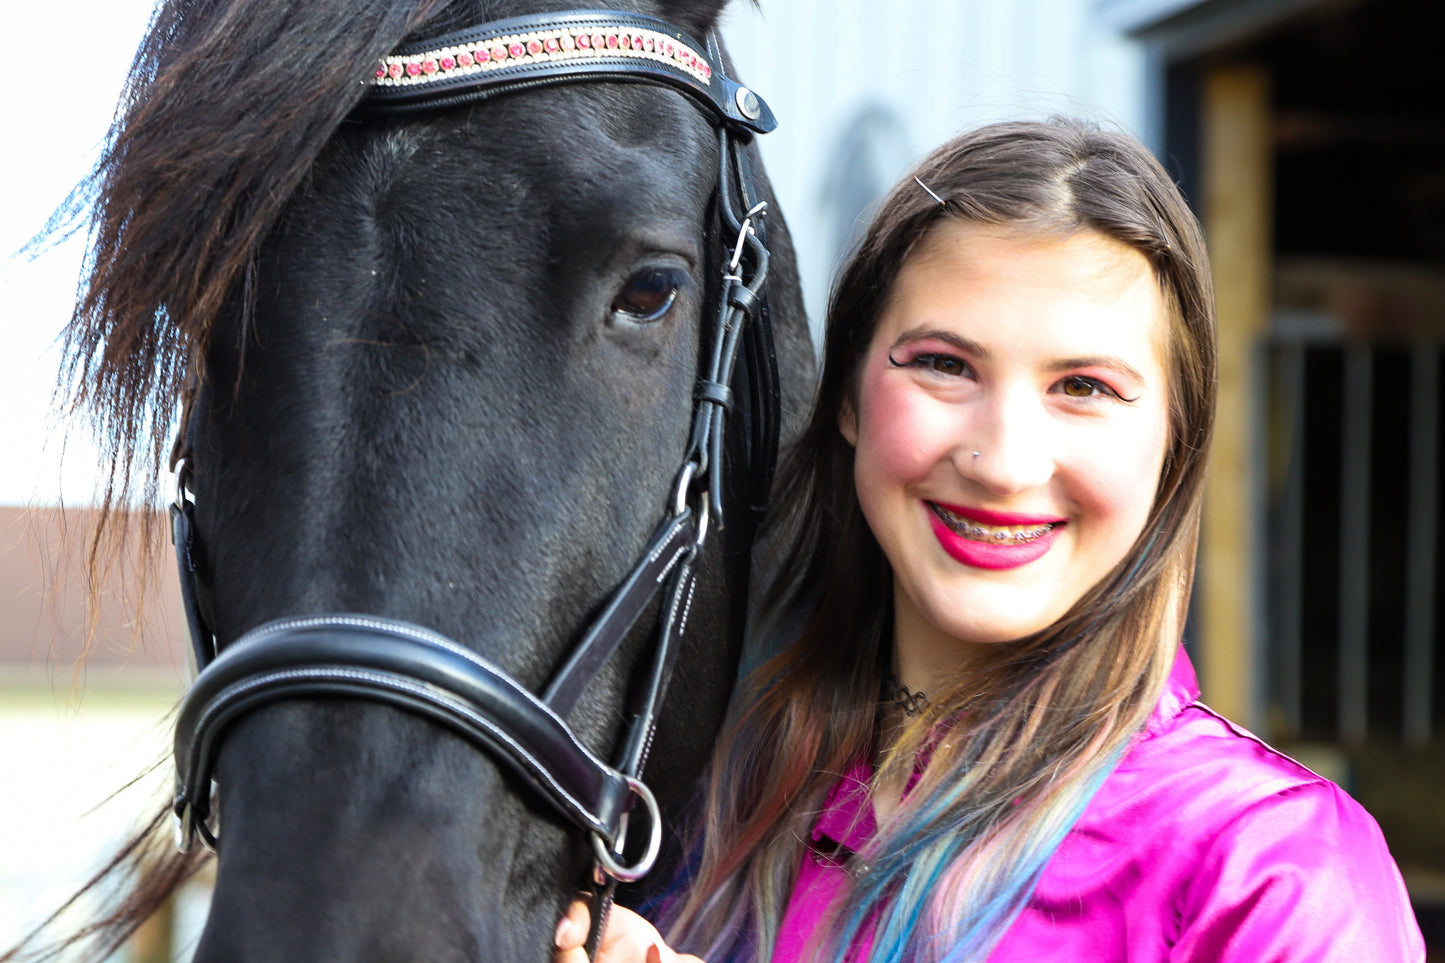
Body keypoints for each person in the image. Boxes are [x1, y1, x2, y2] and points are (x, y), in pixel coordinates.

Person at [555, 118, 1426, 963]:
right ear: (849, 396)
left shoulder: (1274, 870)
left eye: (1082, 386)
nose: (1004, 463)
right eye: (942, 364)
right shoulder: (701, 800)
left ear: (1173, 441)